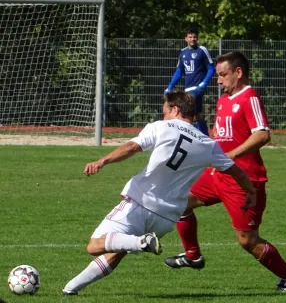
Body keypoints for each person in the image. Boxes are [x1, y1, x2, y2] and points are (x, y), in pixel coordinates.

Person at [62, 91, 257, 295]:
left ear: (175, 110)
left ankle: (141, 242)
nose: (163, 115)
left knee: (94, 246)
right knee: (116, 252)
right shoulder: (208, 144)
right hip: (166, 218)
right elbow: (235, 170)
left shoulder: (161, 127)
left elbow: (132, 147)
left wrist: (102, 161)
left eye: (165, 110)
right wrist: (250, 191)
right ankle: (70, 289)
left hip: (139, 203)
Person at [164, 52, 286, 292]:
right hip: (218, 175)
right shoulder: (223, 101)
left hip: (245, 180)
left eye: (222, 75)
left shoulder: (250, 98)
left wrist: (230, 156)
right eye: (217, 75)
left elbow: (262, 134)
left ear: (238, 73)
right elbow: (222, 136)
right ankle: (193, 255)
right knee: (179, 201)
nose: (218, 80)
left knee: (247, 240)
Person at [165, 30, 215, 135]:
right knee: (197, 113)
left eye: (194, 37)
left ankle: (183, 135)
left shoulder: (202, 50)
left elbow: (211, 68)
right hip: (187, 89)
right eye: (190, 37)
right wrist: (170, 86)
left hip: (197, 87)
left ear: (197, 38)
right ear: (186, 39)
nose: (193, 39)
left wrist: (204, 83)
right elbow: (179, 71)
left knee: (184, 110)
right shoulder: (183, 52)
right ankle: (204, 137)